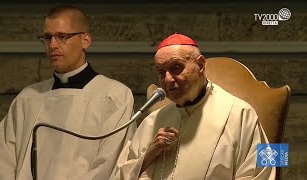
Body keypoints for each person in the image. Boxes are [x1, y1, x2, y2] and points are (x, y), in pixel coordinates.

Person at [0, 5, 136, 180]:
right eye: (47, 37)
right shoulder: (27, 99)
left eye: (62, 37)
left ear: (85, 41)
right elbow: (0, 162)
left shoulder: (115, 96)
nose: (52, 45)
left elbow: (111, 166)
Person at [112, 33, 275, 179]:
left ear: (201, 65)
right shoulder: (152, 121)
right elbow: (121, 174)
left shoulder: (242, 113)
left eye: (176, 67)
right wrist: (149, 155)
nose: (167, 79)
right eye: (161, 72)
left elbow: (265, 170)